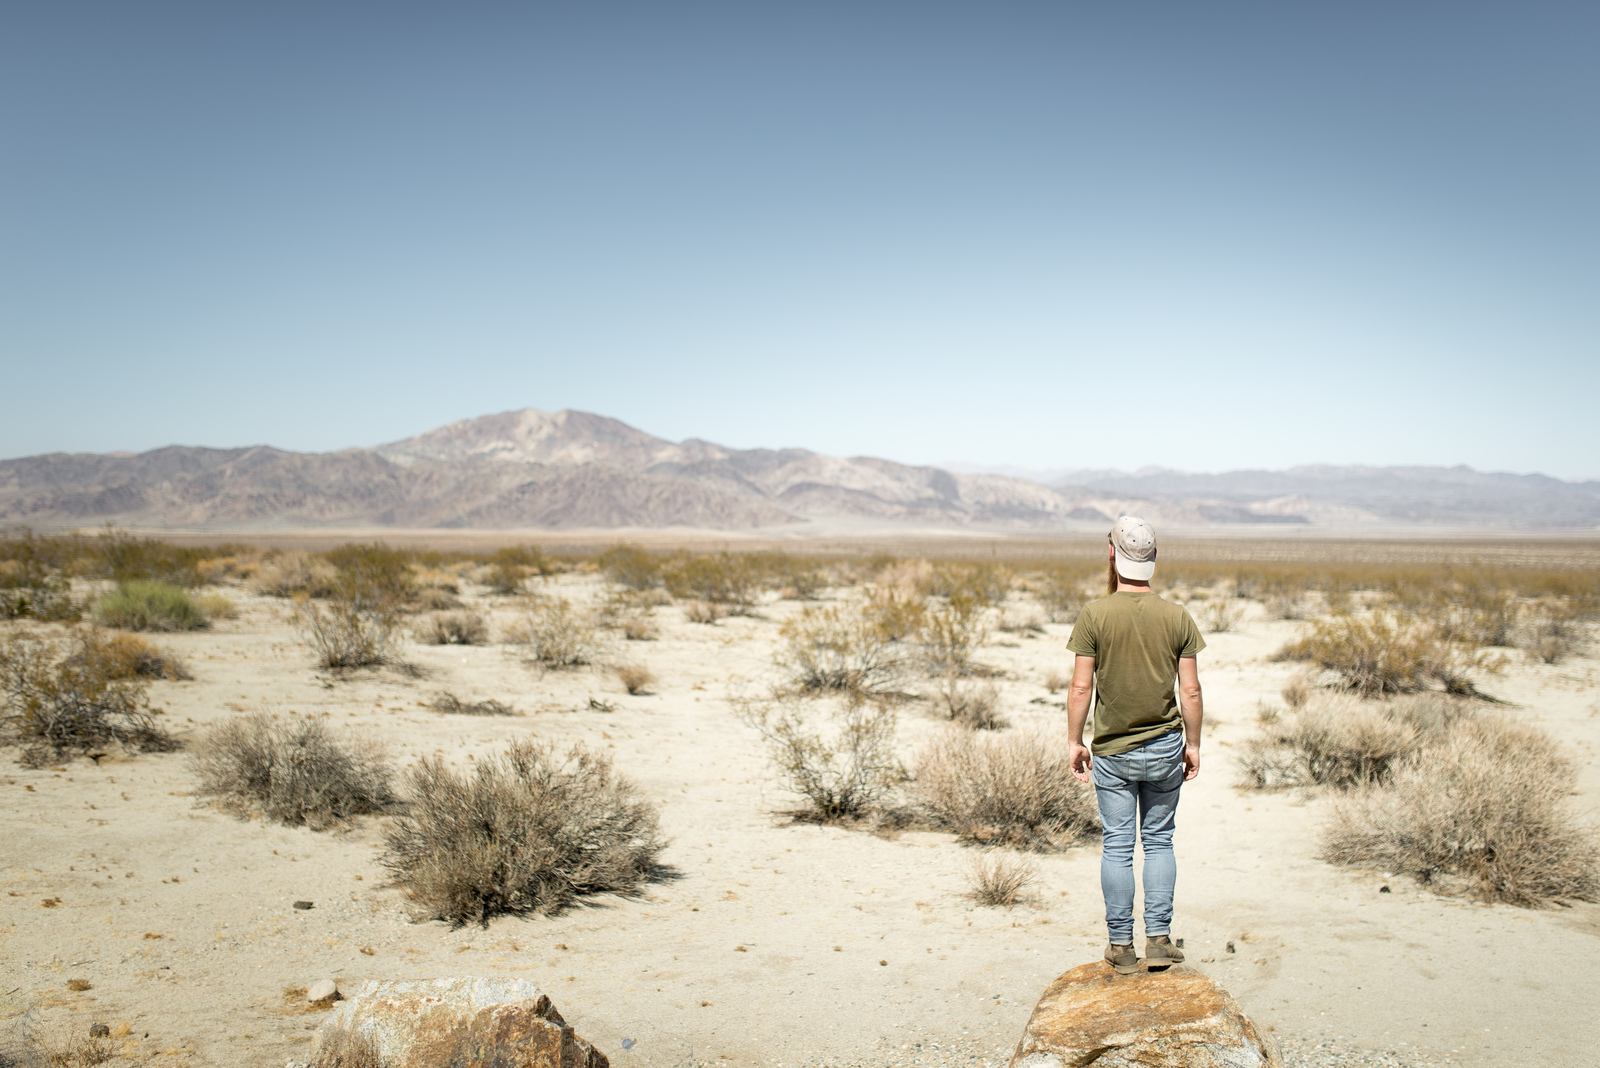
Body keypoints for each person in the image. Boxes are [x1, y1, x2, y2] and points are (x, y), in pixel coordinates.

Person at [1065, 515, 1205, 975]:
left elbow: (1081, 688)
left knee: (1118, 846)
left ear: (1112, 555)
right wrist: (1195, 744)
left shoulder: (1095, 614)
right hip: (1166, 747)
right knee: (1160, 841)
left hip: (1113, 751)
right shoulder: (1176, 616)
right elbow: (1191, 691)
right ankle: (1160, 940)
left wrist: (1073, 740)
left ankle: (1121, 946)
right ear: (1153, 559)